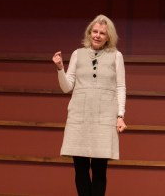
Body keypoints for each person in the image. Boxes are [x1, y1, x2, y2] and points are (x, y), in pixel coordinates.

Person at [52, 14, 127, 196]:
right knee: (81, 169)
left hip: (104, 117)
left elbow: (120, 87)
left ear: (108, 36)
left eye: (102, 33)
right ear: (89, 33)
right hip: (80, 117)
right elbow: (66, 87)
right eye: (95, 31)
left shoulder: (116, 56)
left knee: (100, 169)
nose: (98, 35)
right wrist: (60, 68)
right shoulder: (78, 54)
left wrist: (120, 115)